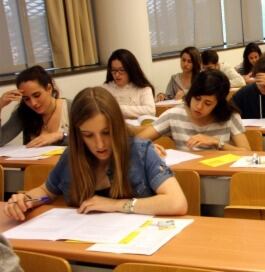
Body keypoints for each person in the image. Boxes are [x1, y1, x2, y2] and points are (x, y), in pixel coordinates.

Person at [4, 87, 188, 221]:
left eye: (106, 132)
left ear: (117, 127)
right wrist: (27, 200)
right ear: (77, 134)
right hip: (83, 247)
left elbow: (177, 202)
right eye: (88, 135)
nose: (99, 144)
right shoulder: (71, 157)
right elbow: (46, 193)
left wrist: (115, 205)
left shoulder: (140, 152)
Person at [137, 69, 250, 151]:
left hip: (222, 178)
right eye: (197, 98)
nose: (199, 106)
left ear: (218, 104)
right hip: (186, 179)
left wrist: (217, 142)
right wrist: (150, 148)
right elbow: (136, 142)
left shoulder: (229, 116)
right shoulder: (174, 115)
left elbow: (247, 153)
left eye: (207, 103)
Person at [0, 65, 70, 147]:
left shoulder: (71, 108)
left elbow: (85, 141)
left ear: (49, 88)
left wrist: (61, 135)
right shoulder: (24, 112)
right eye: (26, 99)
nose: (33, 103)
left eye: (37, 95)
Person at [103, 49, 155, 119]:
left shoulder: (144, 89)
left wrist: (117, 109)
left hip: (139, 128)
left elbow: (151, 111)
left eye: (121, 70)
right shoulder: (106, 89)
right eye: (114, 70)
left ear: (131, 70)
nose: (117, 75)